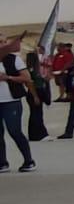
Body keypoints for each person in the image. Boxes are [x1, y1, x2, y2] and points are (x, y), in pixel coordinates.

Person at [0, 43, 37, 172]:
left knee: (14, 131)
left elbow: (26, 77)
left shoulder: (13, 59)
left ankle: (29, 160)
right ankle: (2, 163)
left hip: (11, 101)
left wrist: (7, 77)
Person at [24, 51, 50, 142]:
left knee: (35, 113)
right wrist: (35, 96)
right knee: (37, 114)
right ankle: (40, 134)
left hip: (37, 92)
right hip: (34, 93)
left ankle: (34, 134)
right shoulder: (31, 70)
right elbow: (30, 83)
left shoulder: (34, 69)